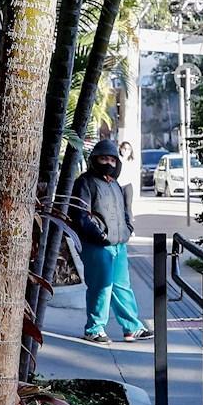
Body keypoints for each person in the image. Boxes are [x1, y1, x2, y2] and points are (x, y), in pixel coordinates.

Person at [72, 139, 154, 344]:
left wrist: (128, 229)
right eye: (103, 158)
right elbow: (80, 215)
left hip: (119, 244)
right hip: (97, 246)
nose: (108, 162)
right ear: (95, 160)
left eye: (111, 159)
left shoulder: (115, 184)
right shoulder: (85, 182)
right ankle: (94, 328)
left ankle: (132, 327)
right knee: (101, 286)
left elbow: (125, 211)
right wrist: (99, 235)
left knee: (121, 286)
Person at [117, 140, 138, 209]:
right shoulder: (117, 160)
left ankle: (129, 219)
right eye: (124, 148)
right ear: (121, 149)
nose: (126, 151)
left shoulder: (132, 161)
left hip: (127, 185)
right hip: (118, 185)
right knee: (118, 205)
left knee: (128, 205)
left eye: (129, 149)